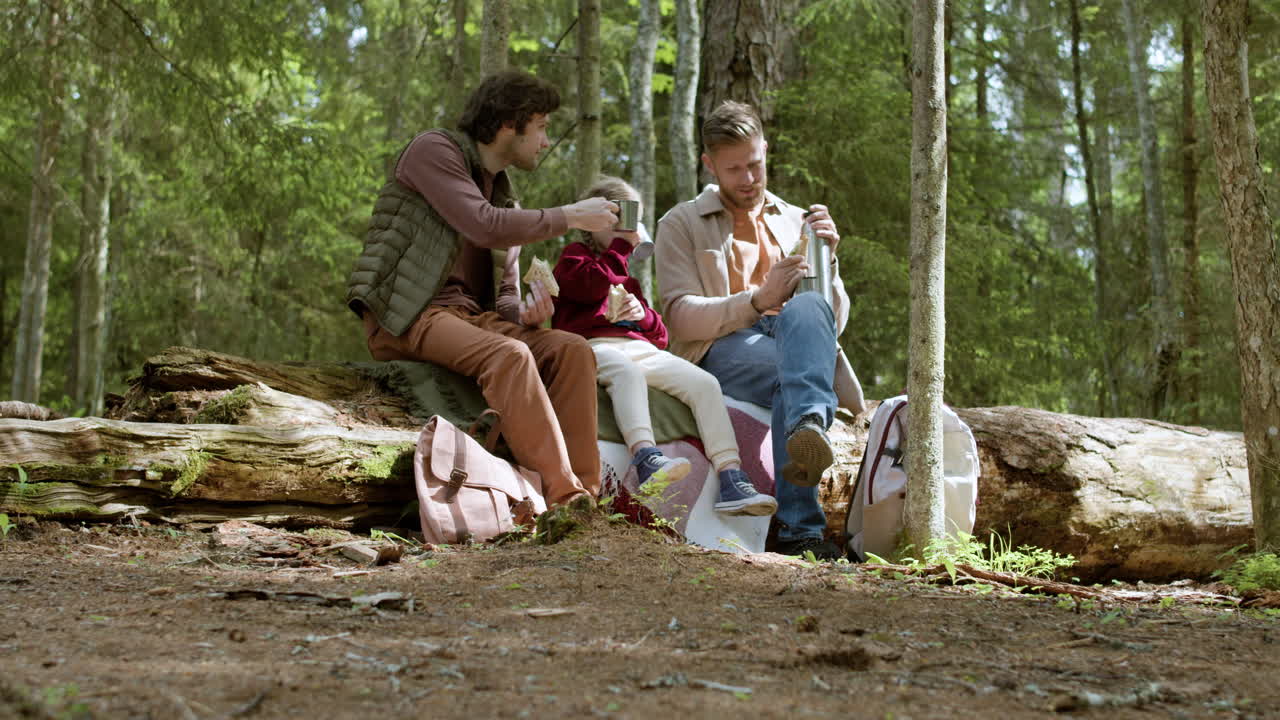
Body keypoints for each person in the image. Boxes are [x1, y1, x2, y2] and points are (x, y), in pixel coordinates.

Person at [345, 70, 619, 508]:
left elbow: (505, 294)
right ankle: (565, 501)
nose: (546, 142)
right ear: (511, 123)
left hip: (470, 319)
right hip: (409, 313)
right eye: (542, 126)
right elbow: (481, 224)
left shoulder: (506, 200)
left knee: (572, 350)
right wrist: (571, 215)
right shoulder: (433, 151)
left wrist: (525, 316)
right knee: (509, 355)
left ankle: (588, 499)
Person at [654, 100, 866, 559]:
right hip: (722, 346)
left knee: (807, 310)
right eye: (734, 170)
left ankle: (808, 425)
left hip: (795, 343)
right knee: (792, 372)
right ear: (709, 165)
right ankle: (802, 528)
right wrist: (758, 301)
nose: (748, 179)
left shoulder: (795, 219)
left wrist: (828, 262)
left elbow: (833, 319)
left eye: (755, 165)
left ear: (765, 150)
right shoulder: (681, 223)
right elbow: (679, 315)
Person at [550, 176, 777, 516]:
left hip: (641, 349)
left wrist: (642, 316)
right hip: (592, 346)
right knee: (626, 373)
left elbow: (661, 337)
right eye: (616, 217)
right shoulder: (574, 258)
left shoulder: (629, 280)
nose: (622, 228)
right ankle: (646, 458)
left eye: (629, 219)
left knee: (704, 383)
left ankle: (731, 477)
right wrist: (623, 248)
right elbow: (587, 287)